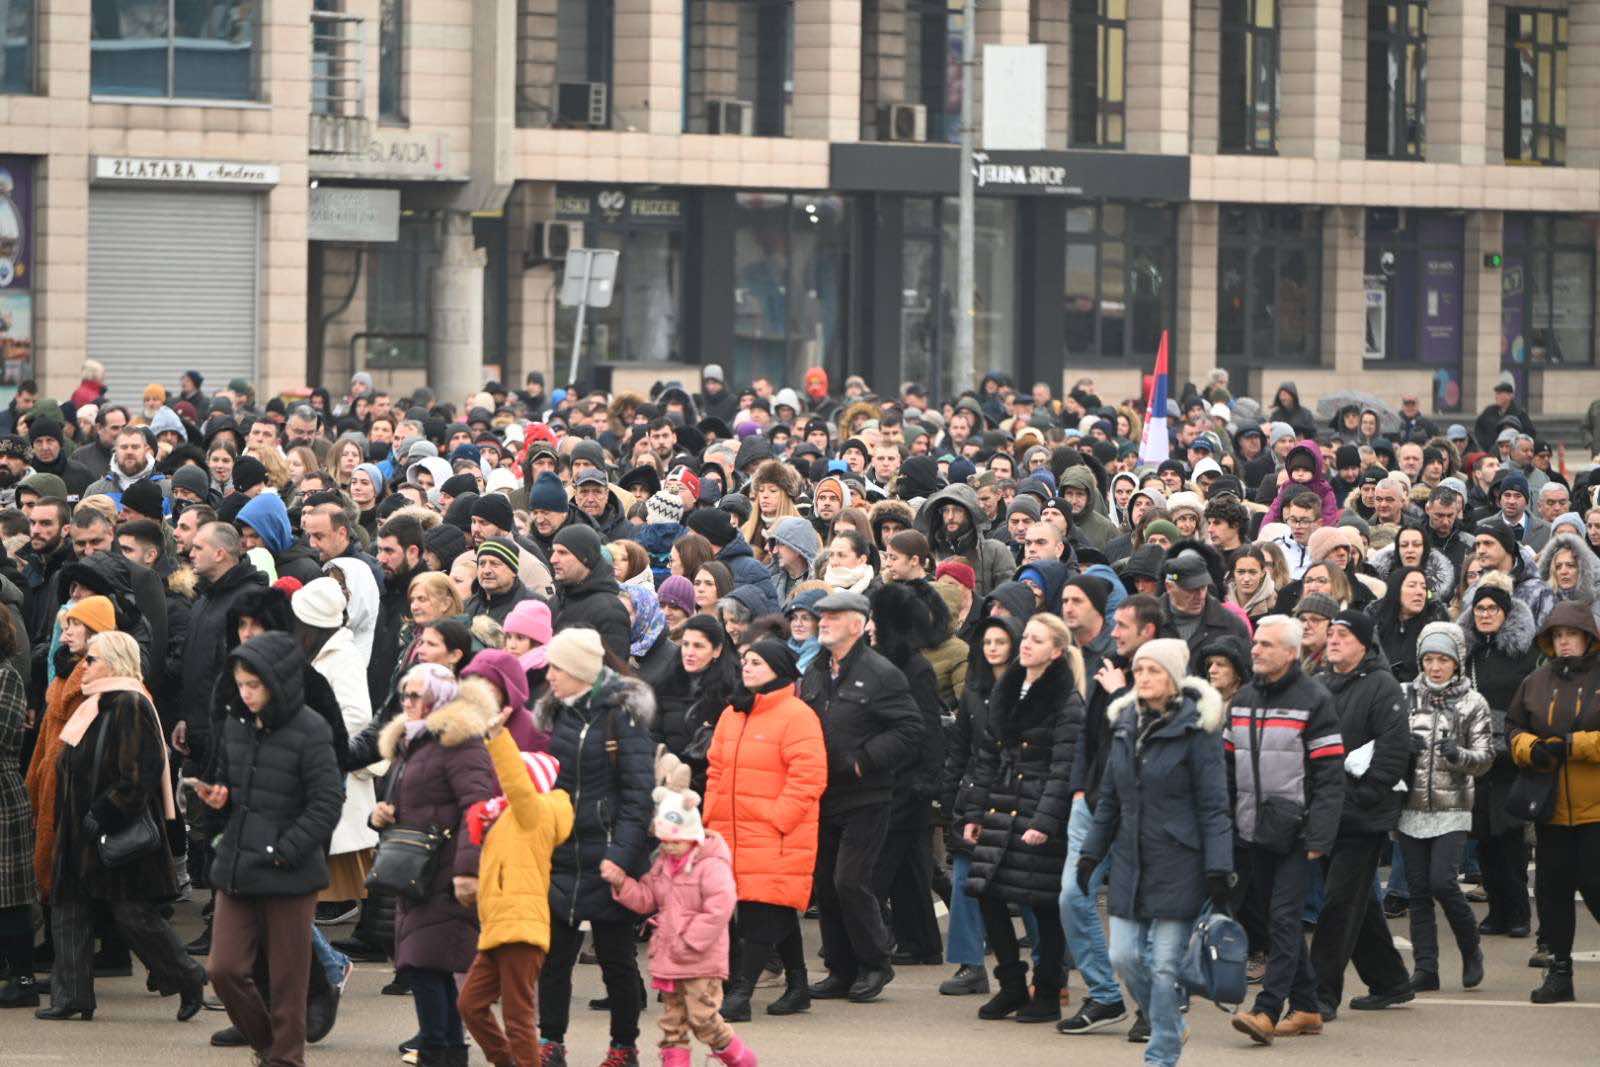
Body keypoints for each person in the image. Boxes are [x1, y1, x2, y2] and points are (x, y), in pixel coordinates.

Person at [35, 630, 208, 1022]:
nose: (84, 666)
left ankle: (188, 977)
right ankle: (71, 996)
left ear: (114, 663)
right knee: (69, 911)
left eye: (92, 659)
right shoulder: (95, 703)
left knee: (134, 916)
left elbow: (140, 772)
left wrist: (104, 813)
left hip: (113, 830)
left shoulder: (130, 702)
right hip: (79, 830)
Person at [1079, 638, 1232, 1067]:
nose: (1143, 678)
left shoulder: (1197, 730)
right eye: (1140, 670)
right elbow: (1109, 799)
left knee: (1165, 965)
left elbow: (1214, 806)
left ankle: (1161, 1054)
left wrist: (1219, 868)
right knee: (1124, 957)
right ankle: (1169, 1023)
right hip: (1131, 861)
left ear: (1174, 678)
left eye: (1154, 671)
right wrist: (1090, 854)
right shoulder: (1124, 722)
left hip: (1180, 861)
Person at [200, 633, 344, 1067]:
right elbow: (233, 784)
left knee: (287, 981)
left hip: (289, 870)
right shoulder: (236, 723)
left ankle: (285, 1058)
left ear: (277, 681)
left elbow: (327, 802)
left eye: (254, 685)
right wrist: (220, 798)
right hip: (239, 863)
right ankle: (269, 1047)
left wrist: (286, 850)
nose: (245, 694)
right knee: (223, 968)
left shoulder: (311, 729)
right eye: (240, 684)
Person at [535, 628, 657, 1067]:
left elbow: (638, 797)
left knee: (616, 961)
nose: (549, 676)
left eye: (557, 668)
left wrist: (620, 857)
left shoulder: (623, 716)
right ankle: (550, 1043)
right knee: (553, 959)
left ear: (581, 671)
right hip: (563, 852)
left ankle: (624, 1047)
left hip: (608, 858)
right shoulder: (556, 714)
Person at [798, 590, 923, 1005]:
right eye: (821, 615)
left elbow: (910, 729)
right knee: (826, 885)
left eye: (833, 616)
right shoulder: (816, 671)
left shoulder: (881, 673)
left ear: (858, 623)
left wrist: (863, 761)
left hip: (866, 794)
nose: (823, 621)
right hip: (824, 792)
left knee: (850, 880)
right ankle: (841, 969)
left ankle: (875, 963)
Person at [1226, 616, 1346, 1045]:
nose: (1255, 650)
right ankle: (1308, 1006)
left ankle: (1267, 1009)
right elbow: (1227, 765)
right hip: (1251, 830)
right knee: (1279, 922)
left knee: (1283, 918)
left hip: (1297, 832)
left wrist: (1320, 836)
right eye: (1255, 642)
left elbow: (1330, 776)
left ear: (1291, 653)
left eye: (1266, 644)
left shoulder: (1314, 700)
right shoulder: (1242, 698)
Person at [960, 613, 1083, 1025]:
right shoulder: (1008, 687)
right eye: (1026, 637)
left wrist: (1045, 822)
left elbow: (1063, 768)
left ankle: (1047, 991)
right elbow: (987, 756)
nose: (1026, 644)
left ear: (1057, 651)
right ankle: (1011, 984)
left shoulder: (1066, 700)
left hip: (1038, 807)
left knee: (1043, 903)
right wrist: (974, 811)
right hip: (1001, 802)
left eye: (1037, 640)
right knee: (987, 892)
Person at [375, 659, 498, 1066]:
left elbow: (478, 808)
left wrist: (467, 871)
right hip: (416, 873)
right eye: (404, 695)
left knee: (427, 964)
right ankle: (446, 1051)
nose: (406, 702)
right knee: (429, 966)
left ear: (439, 698)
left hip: (445, 874)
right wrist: (382, 815)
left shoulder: (460, 742)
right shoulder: (414, 741)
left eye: (416, 695)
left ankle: (437, 1050)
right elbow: (409, 799)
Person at [601, 750, 758, 1067]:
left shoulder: (710, 864)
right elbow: (647, 897)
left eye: (676, 840)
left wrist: (691, 938)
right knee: (673, 1023)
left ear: (692, 835)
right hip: (671, 959)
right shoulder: (662, 864)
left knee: (703, 1018)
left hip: (700, 959)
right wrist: (622, 884)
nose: (670, 846)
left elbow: (720, 906)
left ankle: (741, 1059)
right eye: (665, 840)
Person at [705, 639, 827, 1022]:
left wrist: (778, 818)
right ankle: (799, 985)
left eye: (756, 662)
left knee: (761, 910)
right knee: (773, 906)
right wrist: (710, 814)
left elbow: (809, 777)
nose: (747, 667)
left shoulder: (797, 715)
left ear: (778, 669)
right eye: (746, 661)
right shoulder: (733, 713)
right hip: (731, 832)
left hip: (776, 833)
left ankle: (741, 993)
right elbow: (715, 769)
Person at [1308, 610, 1414, 1018]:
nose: (1333, 640)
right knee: (1359, 902)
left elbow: (1393, 749)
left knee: (1338, 904)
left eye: (1344, 635)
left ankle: (1320, 996)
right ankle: (1390, 981)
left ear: (1365, 644)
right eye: (1331, 633)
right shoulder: (1320, 684)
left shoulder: (1382, 686)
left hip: (1361, 816)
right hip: (1325, 812)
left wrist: (1365, 796)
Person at [456, 704, 573, 1067]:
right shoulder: (506, 817)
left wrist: (497, 737)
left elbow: (518, 787)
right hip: (499, 927)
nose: (504, 782)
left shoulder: (535, 814)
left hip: (521, 928)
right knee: (470, 1005)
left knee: (518, 1018)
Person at [1507, 601, 1600, 1004]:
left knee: (1596, 887)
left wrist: (1576, 745)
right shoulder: (1535, 681)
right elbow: (1513, 728)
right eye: (1557, 635)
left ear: (1588, 638)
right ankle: (1560, 973)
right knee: (1553, 894)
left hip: (1596, 810)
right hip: (1550, 808)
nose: (1564, 642)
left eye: (1571, 634)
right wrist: (1531, 749)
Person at [1398, 622, 1493, 993]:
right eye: (1429, 659)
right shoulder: (1405, 695)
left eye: (1443, 660)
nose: (1435, 667)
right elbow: (1385, 743)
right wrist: (1402, 748)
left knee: (1442, 881)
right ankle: (1426, 968)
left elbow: (1485, 759)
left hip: (1452, 807)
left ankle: (1471, 950)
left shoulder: (1474, 702)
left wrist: (1459, 755)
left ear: (1457, 662)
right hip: (1410, 807)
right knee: (1418, 890)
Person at [1458, 572, 1539, 939]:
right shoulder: (1469, 652)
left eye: (1492, 609)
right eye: (1480, 608)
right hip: (1478, 755)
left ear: (1506, 613)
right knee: (1484, 838)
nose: (1486, 614)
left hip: (1512, 754)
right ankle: (1497, 910)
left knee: (1510, 839)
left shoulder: (1524, 652)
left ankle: (1518, 912)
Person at [0, 606, 33, 1008]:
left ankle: (23, 978)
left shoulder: (6, 675)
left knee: (9, 893)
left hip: (4, 793)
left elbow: (4, 730)